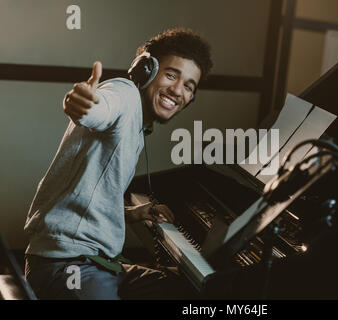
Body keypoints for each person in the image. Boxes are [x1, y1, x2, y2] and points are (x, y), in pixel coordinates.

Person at [23, 28, 213, 299]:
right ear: (145, 70)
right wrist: (81, 103)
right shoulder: (123, 93)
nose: (177, 90)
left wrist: (133, 213)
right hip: (67, 266)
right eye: (171, 75)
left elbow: (87, 199)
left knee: (182, 290)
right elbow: (98, 107)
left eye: (188, 86)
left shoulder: (138, 123)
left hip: (97, 264)